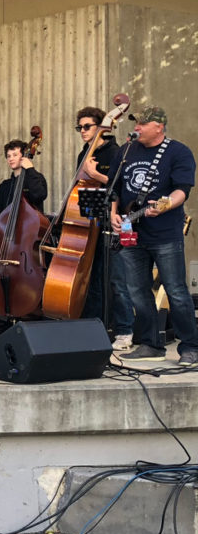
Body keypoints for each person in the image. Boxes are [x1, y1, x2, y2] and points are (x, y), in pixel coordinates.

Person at [110, 106, 198, 366]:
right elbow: (113, 188)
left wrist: (165, 205)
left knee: (175, 290)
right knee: (137, 291)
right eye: (136, 123)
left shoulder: (178, 152)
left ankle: (191, 347)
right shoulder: (126, 151)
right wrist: (113, 214)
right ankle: (150, 344)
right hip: (130, 232)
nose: (136, 127)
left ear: (159, 127)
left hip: (165, 234)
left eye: (142, 124)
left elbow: (182, 190)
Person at [73, 106, 134, 349]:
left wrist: (95, 174)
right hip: (93, 220)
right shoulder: (84, 153)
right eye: (79, 127)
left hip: (117, 221)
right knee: (93, 278)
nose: (82, 131)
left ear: (101, 127)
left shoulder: (115, 152)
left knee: (118, 279)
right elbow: (81, 188)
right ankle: (94, 329)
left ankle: (125, 331)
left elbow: (122, 186)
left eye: (87, 126)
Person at [0, 139, 48, 213]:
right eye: (8, 156)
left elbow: (39, 195)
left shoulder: (36, 178)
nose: (11, 159)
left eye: (15, 155)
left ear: (24, 157)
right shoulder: (6, 185)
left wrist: (30, 169)